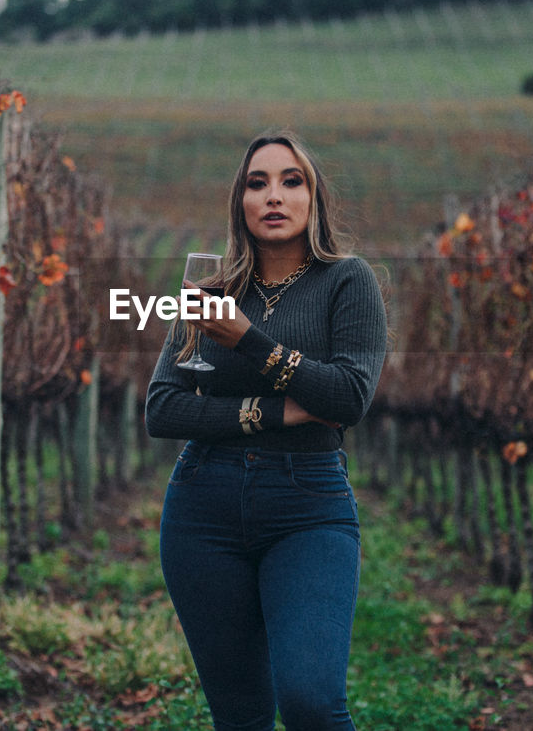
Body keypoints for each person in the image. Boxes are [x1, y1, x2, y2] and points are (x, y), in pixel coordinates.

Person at [145, 131, 387, 731]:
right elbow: (163, 408)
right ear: (241, 203)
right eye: (258, 183)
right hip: (202, 504)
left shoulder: (349, 282)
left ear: (313, 199)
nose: (273, 195)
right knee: (240, 714)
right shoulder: (213, 291)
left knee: (311, 702)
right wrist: (275, 411)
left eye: (290, 180)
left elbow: (348, 397)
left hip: (307, 504)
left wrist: (246, 341)